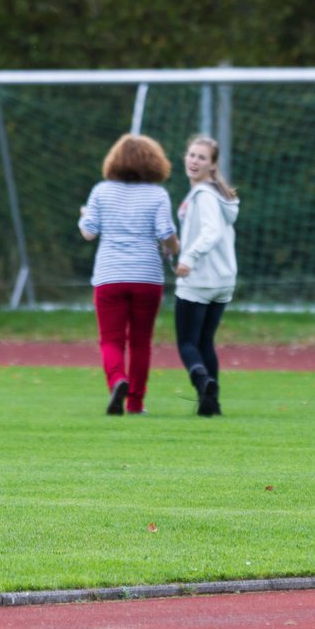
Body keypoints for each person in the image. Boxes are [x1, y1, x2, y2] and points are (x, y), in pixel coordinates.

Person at [79, 133, 178, 416]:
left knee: (111, 339)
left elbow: (88, 232)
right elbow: (166, 234)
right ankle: (135, 402)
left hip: (110, 275)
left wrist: (84, 214)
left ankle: (116, 381)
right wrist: (175, 248)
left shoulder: (101, 191)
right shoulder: (158, 194)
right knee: (140, 341)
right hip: (147, 276)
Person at [174, 135, 239, 417]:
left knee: (187, 342)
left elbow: (210, 232)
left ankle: (202, 382)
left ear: (212, 165)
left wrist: (188, 258)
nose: (194, 161)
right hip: (223, 280)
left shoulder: (204, 195)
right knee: (204, 342)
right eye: (191, 155)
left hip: (200, 279)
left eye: (202, 157)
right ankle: (210, 403)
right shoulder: (218, 194)